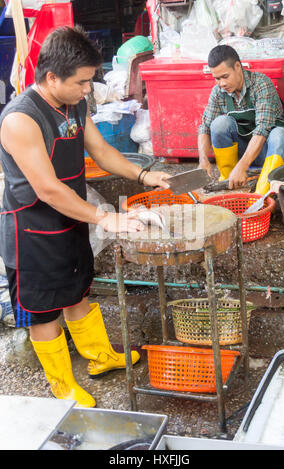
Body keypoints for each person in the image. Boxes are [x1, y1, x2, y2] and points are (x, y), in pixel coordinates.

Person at [0, 26, 170, 408]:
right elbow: (47, 188)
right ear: (51, 78)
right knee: (44, 312)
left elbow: (101, 150)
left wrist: (144, 175)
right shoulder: (21, 119)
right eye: (82, 82)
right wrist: (104, 218)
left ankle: (99, 357)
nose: (87, 90)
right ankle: (63, 387)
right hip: (32, 229)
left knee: (77, 290)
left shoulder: (74, 104)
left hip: (71, 218)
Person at [198, 45, 284, 195]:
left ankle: (263, 193)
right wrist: (203, 160)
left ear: (237, 66)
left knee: (279, 134)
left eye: (225, 76)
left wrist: (242, 166)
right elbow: (205, 127)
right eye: (217, 78)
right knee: (219, 124)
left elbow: (262, 130)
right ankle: (230, 181)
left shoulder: (261, 84)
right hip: (241, 152)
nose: (221, 83)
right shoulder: (218, 92)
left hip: (266, 152)